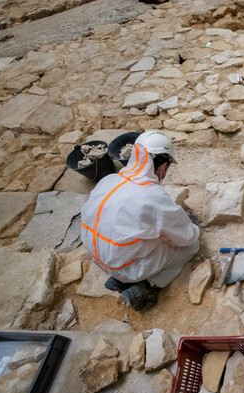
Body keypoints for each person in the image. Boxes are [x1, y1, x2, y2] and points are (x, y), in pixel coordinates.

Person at [80, 130, 200, 311]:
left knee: (143, 235)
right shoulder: (151, 196)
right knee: (192, 246)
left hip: (98, 259)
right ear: (162, 165)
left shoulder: (109, 180)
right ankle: (146, 286)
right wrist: (194, 227)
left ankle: (119, 280)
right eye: (167, 166)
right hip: (126, 268)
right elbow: (188, 236)